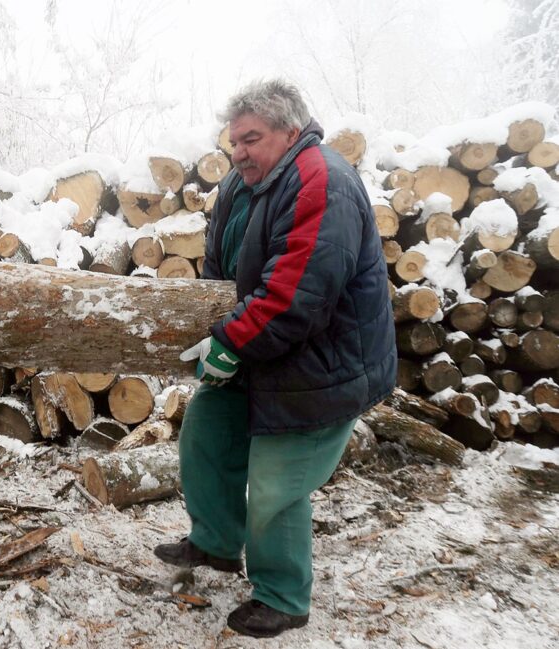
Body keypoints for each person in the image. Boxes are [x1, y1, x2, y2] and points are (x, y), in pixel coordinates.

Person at [154, 79, 396, 637]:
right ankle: (215, 544)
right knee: (205, 433)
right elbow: (221, 271)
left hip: (321, 365)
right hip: (265, 347)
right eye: (234, 141)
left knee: (277, 485)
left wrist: (232, 341)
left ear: (291, 131)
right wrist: (217, 329)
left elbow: (296, 296)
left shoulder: (322, 180)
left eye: (252, 138)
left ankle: (284, 594)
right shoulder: (246, 184)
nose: (238, 151)